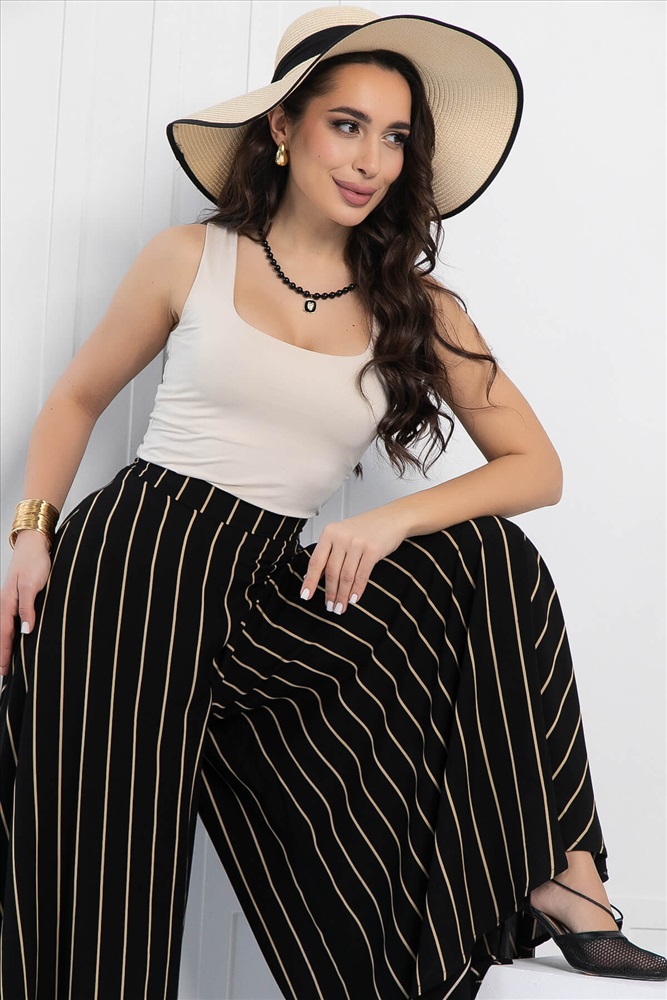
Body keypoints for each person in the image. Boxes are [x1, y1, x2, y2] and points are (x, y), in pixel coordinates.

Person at [0, 5, 665, 998]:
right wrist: (32, 535)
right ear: (283, 127)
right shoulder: (190, 256)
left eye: (393, 137)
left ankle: (567, 879)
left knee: (491, 560)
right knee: (99, 885)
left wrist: (388, 518)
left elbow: (536, 467)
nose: (369, 161)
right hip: (133, 570)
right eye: (346, 125)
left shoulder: (417, 307)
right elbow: (76, 399)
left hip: (270, 583)